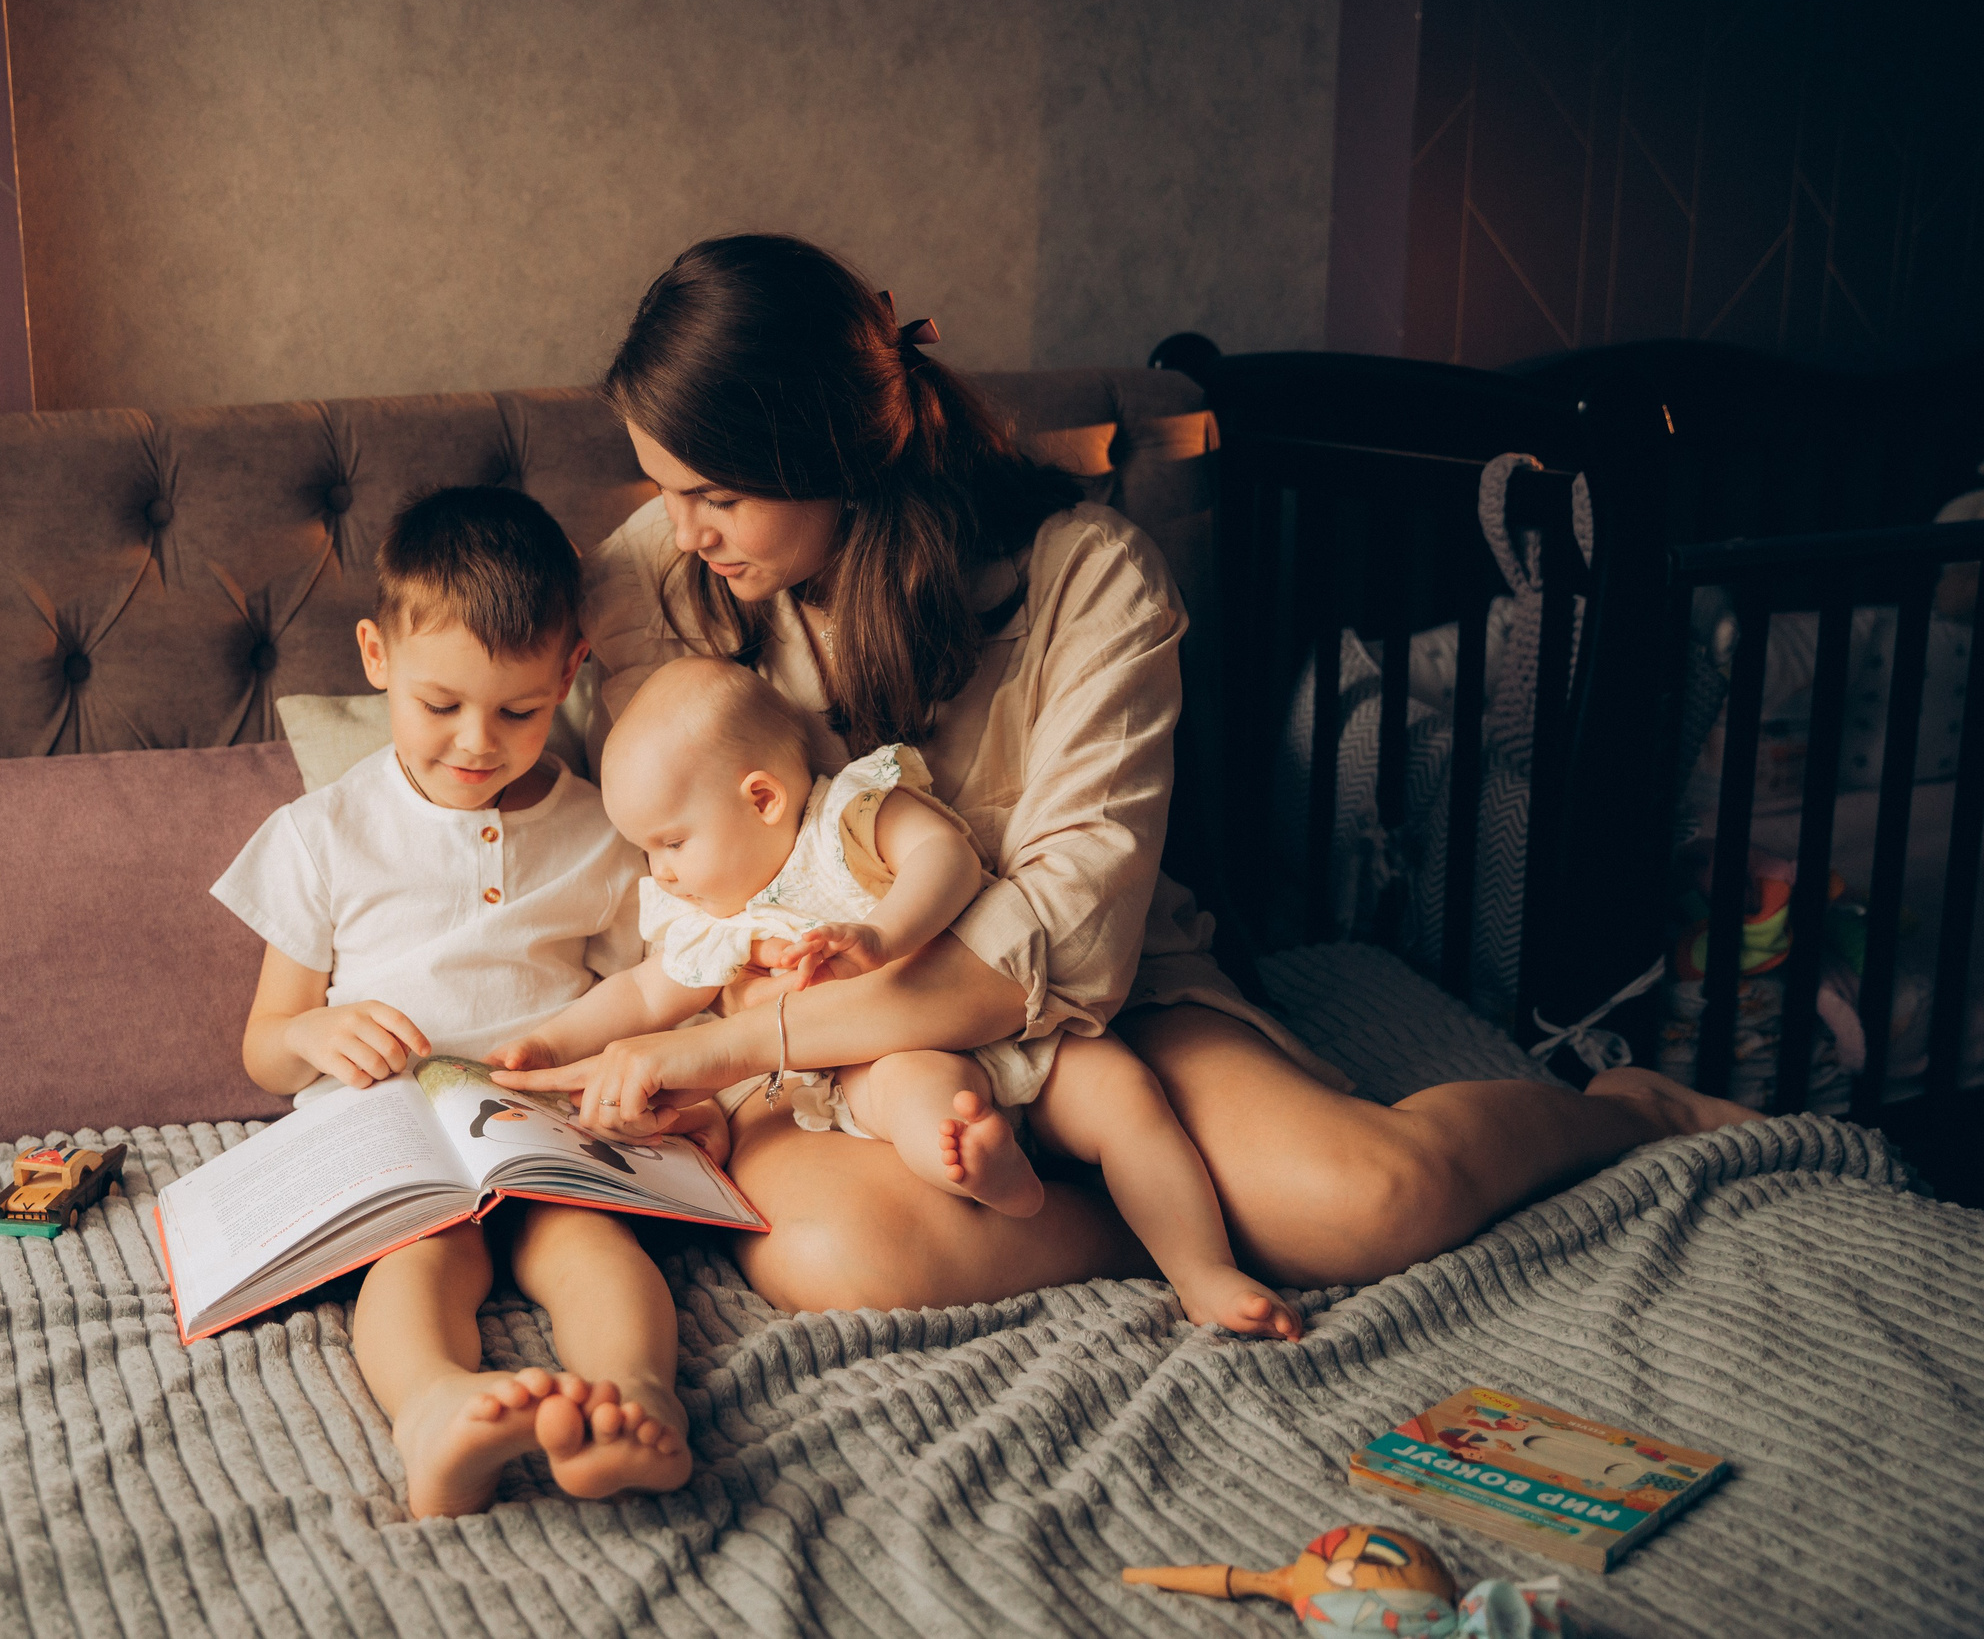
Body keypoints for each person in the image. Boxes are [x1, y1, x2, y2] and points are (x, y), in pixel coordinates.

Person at [491, 233, 1759, 1317]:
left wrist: (744, 1041)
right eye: (664, 489)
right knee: (830, 1255)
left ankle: (1626, 1114)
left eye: (713, 492)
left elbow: (1069, 940)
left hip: (1103, 1007)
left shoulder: (1086, 578)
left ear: (832, 450)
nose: (682, 526)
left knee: (1373, 1205)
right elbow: (546, 782)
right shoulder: (665, 572)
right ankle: (1165, 1224)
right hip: (839, 1066)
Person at [212, 486, 720, 1517]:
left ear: (571, 670)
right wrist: (313, 1029)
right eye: (439, 706)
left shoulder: (600, 830)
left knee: (588, 1245)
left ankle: (635, 1402)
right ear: (376, 655)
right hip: (389, 1128)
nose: (475, 743)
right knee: (420, 1256)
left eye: (519, 711)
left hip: (542, 1120)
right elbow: (264, 1051)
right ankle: (437, 1413)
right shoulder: (322, 834)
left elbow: (647, 988)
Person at [541, 652, 1299, 1337]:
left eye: (670, 843)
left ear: (763, 798)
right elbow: (642, 997)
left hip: (1006, 1016)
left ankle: (1203, 1269)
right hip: (882, 1059)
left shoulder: (852, 813)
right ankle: (984, 1170)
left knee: (1128, 1095)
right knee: (920, 1094)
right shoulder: (716, 920)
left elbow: (947, 860)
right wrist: (549, 1042)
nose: (661, 872)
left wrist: (883, 934)